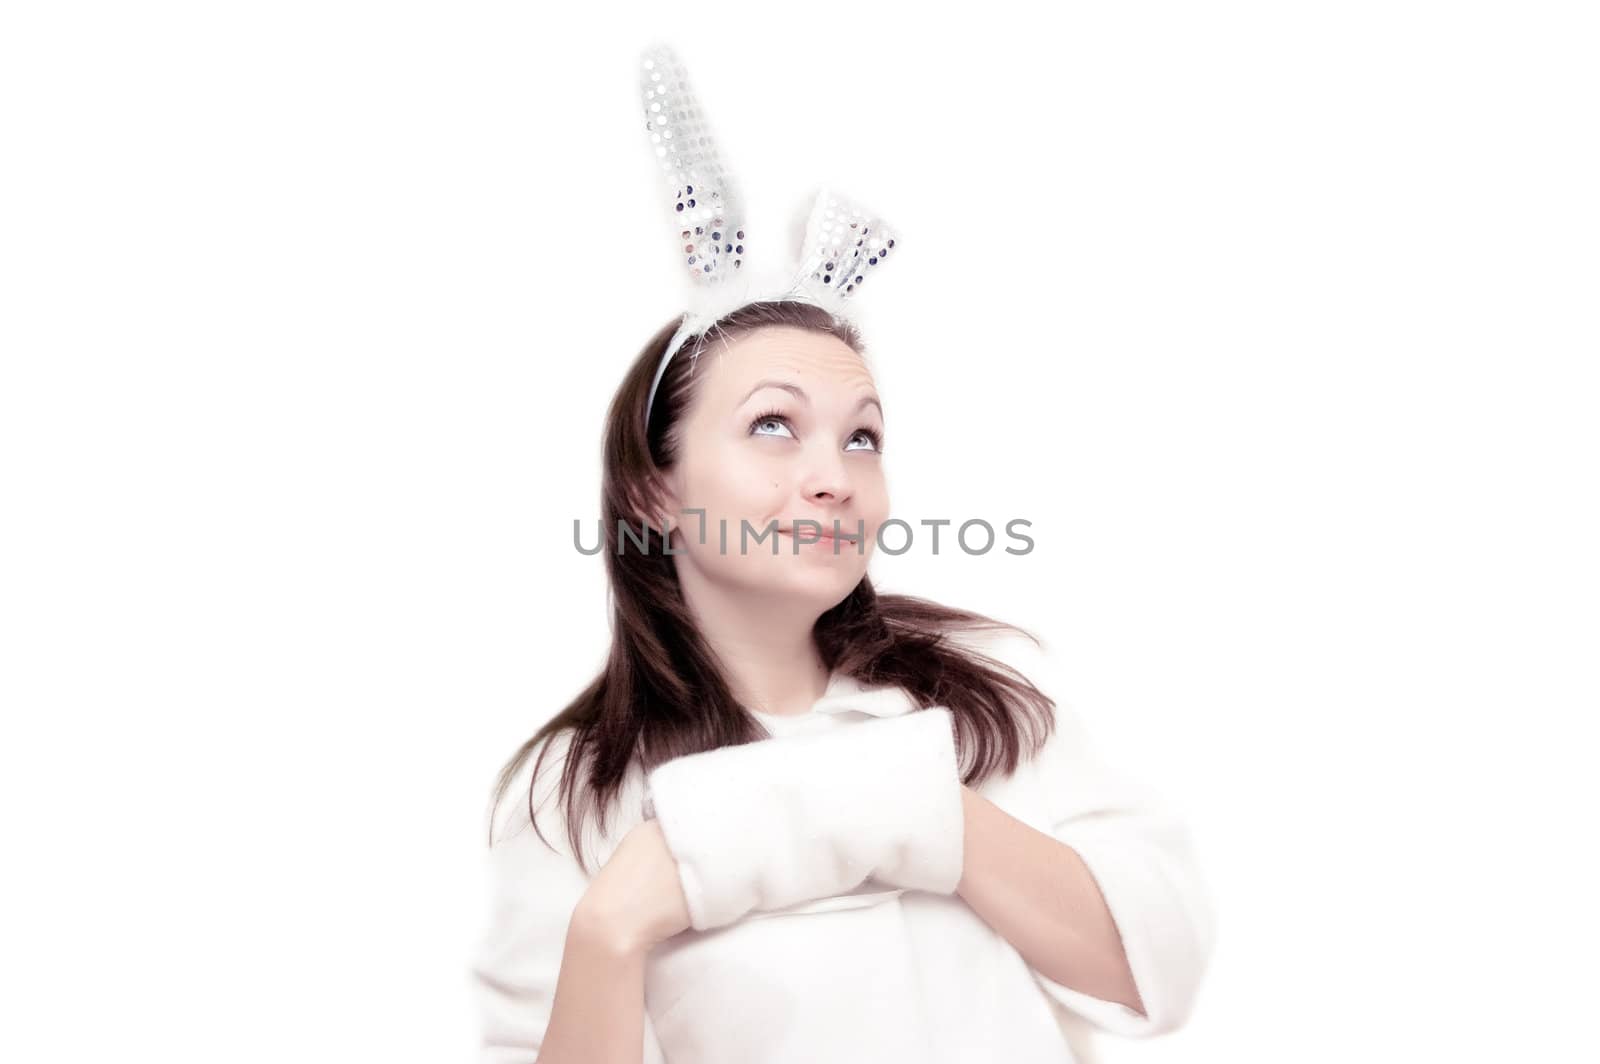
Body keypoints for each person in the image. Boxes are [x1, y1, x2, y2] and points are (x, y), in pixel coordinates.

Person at [468, 45, 1216, 1064]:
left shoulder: (992, 704)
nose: (833, 475)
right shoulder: (572, 791)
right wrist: (609, 926)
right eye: (774, 425)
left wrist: (894, 806)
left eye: (860, 435)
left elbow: (1155, 966)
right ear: (653, 486)